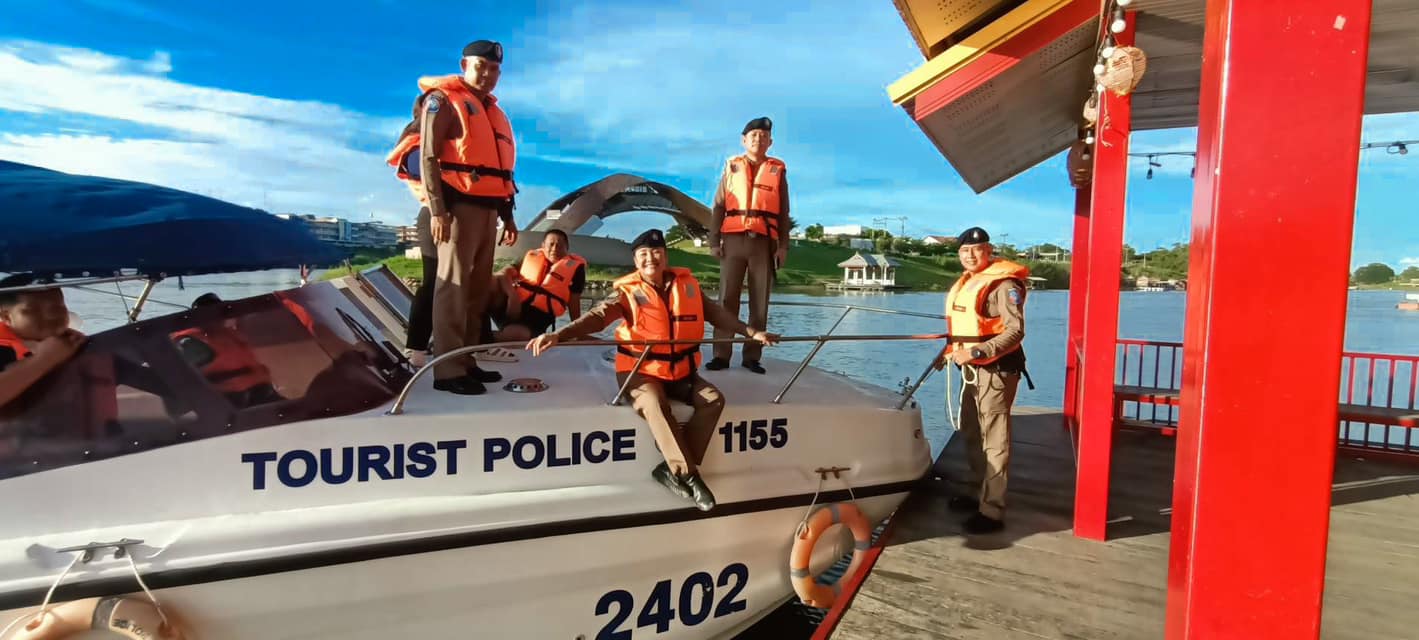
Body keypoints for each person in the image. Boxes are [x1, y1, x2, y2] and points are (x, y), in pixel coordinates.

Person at [526, 229, 779, 511]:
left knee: (713, 400)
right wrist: (559, 335)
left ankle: (668, 468)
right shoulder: (626, 292)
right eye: (643, 254)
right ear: (636, 261)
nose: (651, 259)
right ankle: (689, 476)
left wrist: (751, 332)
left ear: (665, 256)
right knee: (654, 403)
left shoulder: (688, 286)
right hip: (640, 372)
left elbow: (717, 314)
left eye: (656, 252)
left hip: (681, 373)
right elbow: (597, 317)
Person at [392, 38, 520, 395]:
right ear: (465, 66)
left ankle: (467, 359)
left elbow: (500, 169)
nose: (488, 74)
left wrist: (508, 216)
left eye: (494, 69)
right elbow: (429, 156)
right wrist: (438, 211)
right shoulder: (443, 100)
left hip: (489, 210)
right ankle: (447, 371)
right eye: (482, 66)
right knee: (453, 288)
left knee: (476, 292)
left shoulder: (491, 112)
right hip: (457, 208)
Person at [936, 226, 1030, 534]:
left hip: (996, 370)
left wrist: (977, 351)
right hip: (972, 371)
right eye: (964, 251)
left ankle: (992, 511)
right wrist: (948, 353)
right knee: (971, 431)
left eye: (977, 250)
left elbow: (1015, 331)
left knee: (994, 440)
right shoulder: (969, 282)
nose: (970, 255)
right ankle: (978, 492)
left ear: (988, 251)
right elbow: (967, 329)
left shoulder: (1004, 285)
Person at [705, 116, 789, 375]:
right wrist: (713, 240)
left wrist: (783, 246)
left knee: (759, 301)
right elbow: (718, 206)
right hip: (733, 240)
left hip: (764, 242)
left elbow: (783, 212)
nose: (758, 139)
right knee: (727, 299)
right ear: (744, 140)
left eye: (764, 136)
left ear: (770, 142)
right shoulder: (732, 167)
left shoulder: (777, 170)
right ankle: (721, 354)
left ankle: (752, 356)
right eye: (754, 135)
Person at [171, 293, 286, 408]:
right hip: (229, 403)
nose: (219, 316)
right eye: (211, 313)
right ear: (199, 317)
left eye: (220, 311)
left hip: (263, 393)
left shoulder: (230, 333)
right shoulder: (189, 340)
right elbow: (184, 378)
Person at [0, 273, 85, 409]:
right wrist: (46, 359)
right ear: (6, 317)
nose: (51, 316)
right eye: (34, 310)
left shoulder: (79, 344)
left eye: (58, 308)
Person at [486, 229, 586, 342]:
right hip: (511, 306)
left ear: (567, 248)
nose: (554, 249)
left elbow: (574, 303)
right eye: (551, 244)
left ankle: (482, 337)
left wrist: (578, 332)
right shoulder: (532, 256)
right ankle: (475, 325)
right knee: (489, 282)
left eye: (559, 246)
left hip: (537, 318)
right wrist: (512, 296)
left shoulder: (576, 269)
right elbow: (502, 274)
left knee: (517, 335)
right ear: (543, 245)